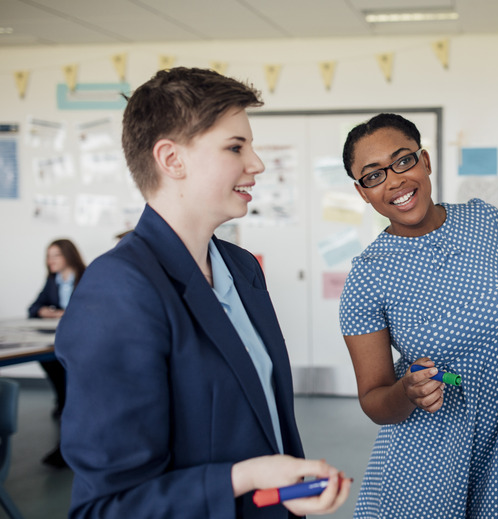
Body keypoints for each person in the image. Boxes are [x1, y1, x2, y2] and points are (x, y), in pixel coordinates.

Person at [55, 67, 351, 518]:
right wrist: (245, 479)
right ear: (172, 160)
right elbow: (107, 507)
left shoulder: (241, 266)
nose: (257, 164)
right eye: (236, 147)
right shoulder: (118, 289)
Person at [339, 113, 498, 517]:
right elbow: (373, 398)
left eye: (403, 161)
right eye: (373, 176)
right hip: (433, 451)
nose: (394, 181)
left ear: (425, 161)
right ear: (363, 193)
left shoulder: (484, 220)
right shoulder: (368, 274)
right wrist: (406, 392)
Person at [27, 238, 86, 420]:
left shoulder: (87, 275)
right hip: (58, 335)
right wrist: (45, 311)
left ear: (68, 255)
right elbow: (33, 308)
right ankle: (63, 399)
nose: (50, 261)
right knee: (48, 359)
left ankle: (75, 402)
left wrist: (67, 313)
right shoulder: (52, 280)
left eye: (55, 256)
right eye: (48, 256)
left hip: (82, 335)